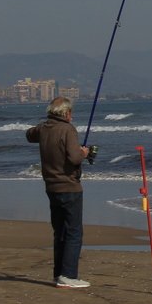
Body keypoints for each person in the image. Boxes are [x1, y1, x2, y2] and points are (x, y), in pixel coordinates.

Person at [26, 96, 90, 288]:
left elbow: (29, 134)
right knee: (73, 232)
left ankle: (59, 274)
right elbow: (74, 158)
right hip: (69, 186)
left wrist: (44, 127)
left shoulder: (44, 128)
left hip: (51, 187)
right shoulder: (67, 129)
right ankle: (68, 276)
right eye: (70, 112)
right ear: (66, 113)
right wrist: (84, 153)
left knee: (60, 231)